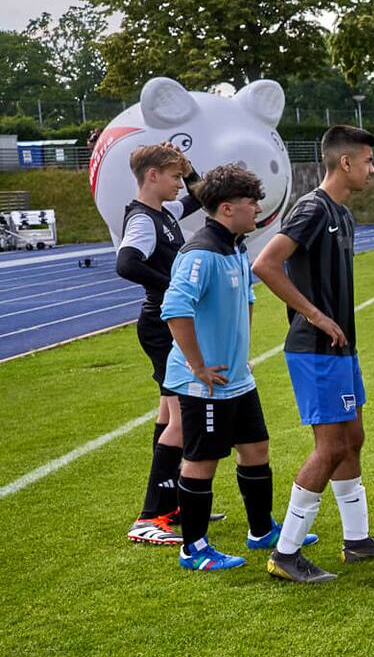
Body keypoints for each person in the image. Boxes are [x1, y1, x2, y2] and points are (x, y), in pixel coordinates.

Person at [158, 163, 313, 570]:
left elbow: (246, 299)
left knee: (256, 449)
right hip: (204, 384)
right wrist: (199, 366)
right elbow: (174, 309)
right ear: (227, 208)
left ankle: (261, 530)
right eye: (251, 202)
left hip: (237, 379)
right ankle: (192, 548)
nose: (257, 208)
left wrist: (239, 350)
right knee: (202, 461)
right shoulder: (201, 253)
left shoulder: (236, 246)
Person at [250, 125, 374, 583]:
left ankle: (357, 539)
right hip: (316, 351)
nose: (373, 168)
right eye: (368, 161)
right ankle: (285, 553)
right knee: (329, 447)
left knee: (353, 438)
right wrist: (312, 314)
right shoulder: (311, 209)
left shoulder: (342, 214)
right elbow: (264, 264)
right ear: (345, 163)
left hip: (342, 350)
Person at [117, 144, 210, 545]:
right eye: (174, 177)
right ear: (152, 175)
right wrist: (174, 288)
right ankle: (150, 516)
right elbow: (126, 263)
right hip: (161, 324)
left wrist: (190, 169)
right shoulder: (142, 219)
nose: (179, 185)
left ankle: (171, 499)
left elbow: (204, 196)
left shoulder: (164, 213)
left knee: (167, 412)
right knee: (180, 417)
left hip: (164, 322)